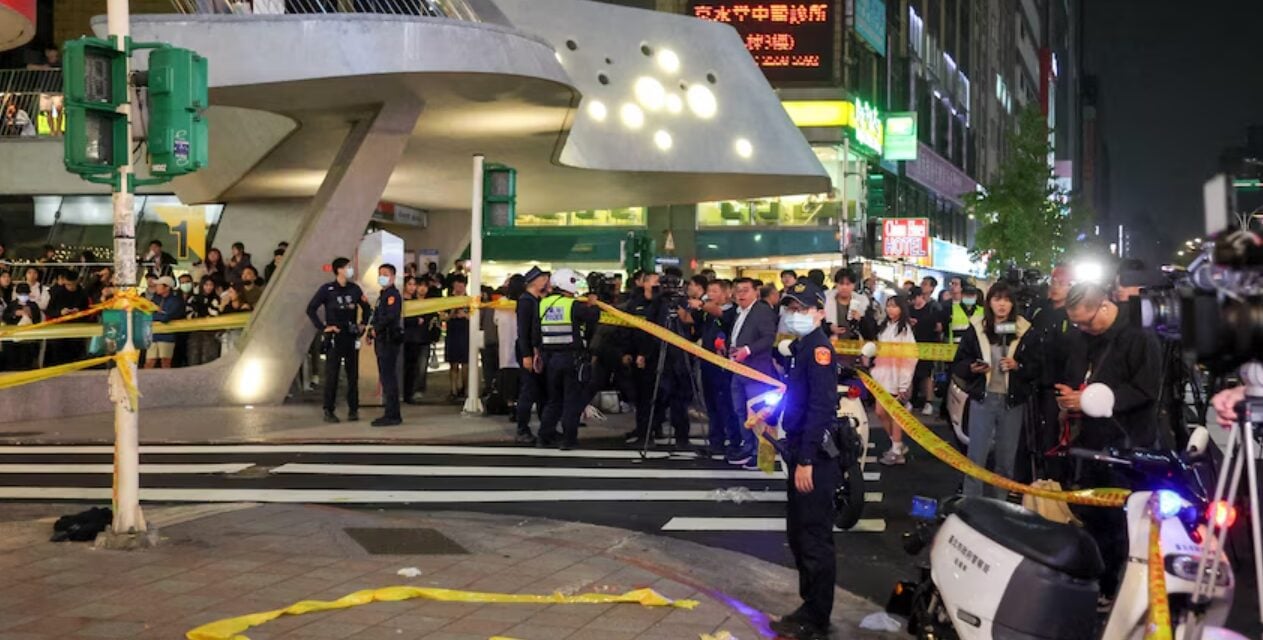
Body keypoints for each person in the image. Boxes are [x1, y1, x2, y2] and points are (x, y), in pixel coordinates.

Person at [1056, 282, 1161, 605]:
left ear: (1104, 306)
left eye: (1087, 322)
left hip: (1127, 442)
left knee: (1121, 520)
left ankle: (1119, 588)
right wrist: (1070, 399)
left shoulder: (1140, 336)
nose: (1084, 329)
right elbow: (1078, 375)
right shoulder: (1084, 337)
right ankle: (1097, 579)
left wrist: (1089, 399)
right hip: (1091, 441)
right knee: (1091, 513)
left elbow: (1146, 390)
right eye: (1077, 324)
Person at [767, 280, 840, 640]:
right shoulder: (801, 347)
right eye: (791, 309)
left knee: (812, 537)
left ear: (820, 313)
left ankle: (816, 617)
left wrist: (807, 459)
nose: (795, 315)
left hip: (814, 456)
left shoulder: (818, 350)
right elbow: (795, 398)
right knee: (798, 534)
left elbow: (821, 407)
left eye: (803, 309)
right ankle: (809, 606)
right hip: (799, 448)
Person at [951, 282, 1036, 496]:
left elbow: (1037, 366)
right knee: (976, 459)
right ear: (989, 302)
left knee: (1006, 461)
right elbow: (959, 362)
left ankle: (1001, 507)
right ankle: (972, 506)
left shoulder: (1024, 329)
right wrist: (972, 368)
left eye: (1007, 300)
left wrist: (1018, 366)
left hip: (1012, 402)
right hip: (983, 398)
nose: (1002, 305)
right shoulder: (977, 327)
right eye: (997, 299)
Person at [630, 267, 697, 451]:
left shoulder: (682, 302)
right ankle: (650, 433)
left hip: (680, 357)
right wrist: (644, 353)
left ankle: (682, 437)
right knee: (657, 396)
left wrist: (682, 307)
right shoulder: (657, 304)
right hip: (660, 355)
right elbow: (649, 328)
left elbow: (691, 322)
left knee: (680, 399)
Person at [536, 268, 601, 450]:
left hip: (551, 360)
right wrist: (593, 303)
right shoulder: (572, 305)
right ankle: (568, 439)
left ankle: (543, 437)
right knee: (571, 401)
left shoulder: (543, 304)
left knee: (553, 401)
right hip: (571, 359)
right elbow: (593, 317)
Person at [1025, 265, 1074, 481]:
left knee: (1054, 432)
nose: (1056, 288)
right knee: (1031, 430)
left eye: (1062, 284)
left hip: (1059, 383)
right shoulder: (1039, 309)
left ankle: (1055, 477)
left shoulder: (1073, 313)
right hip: (1033, 379)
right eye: (1054, 282)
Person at [306, 257, 371, 423]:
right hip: (334, 337)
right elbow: (311, 309)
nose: (350, 270)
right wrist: (323, 327)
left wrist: (363, 324)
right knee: (332, 375)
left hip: (350, 336)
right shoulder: (327, 289)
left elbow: (366, 307)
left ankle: (353, 409)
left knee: (352, 375)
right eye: (347, 267)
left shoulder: (354, 289)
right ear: (339, 270)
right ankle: (329, 410)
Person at [727, 277, 779, 468]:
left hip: (756, 370)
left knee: (757, 413)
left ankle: (759, 452)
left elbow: (768, 338)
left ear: (756, 292)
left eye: (745, 290)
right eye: (737, 290)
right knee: (741, 411)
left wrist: (747, 350)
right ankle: (748, 447)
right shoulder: (739, 312)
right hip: (738, 368)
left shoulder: (762, 311)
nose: (741, 294)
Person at [696, 279, 739, 459]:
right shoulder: (708, 312)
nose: (710, 294)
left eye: (714, 291)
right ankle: (716, 441)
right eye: (709, 291)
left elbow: (719, 312)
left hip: (722, 364)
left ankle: (733, 441)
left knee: (725, 404)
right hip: (707, 362)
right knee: (711, 403)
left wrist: (701, 304)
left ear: (726, 292)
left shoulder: (731, 311)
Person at [872, 295, 917, 465]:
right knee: (880, 412)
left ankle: (897, 450)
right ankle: (896, 443)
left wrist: (904, 384)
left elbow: (910, 357)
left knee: (895, 414)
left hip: (897, 378)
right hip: (883, 377)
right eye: (889, 306)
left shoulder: (904, 329)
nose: (891, 309)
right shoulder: (886, 326)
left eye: (894, 306)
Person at [514, 266, 549, 445]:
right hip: (529, 352)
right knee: (529, 391)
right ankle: (522, 429)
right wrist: (527, 355)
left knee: (542, 391)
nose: (546, 280)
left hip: (537, 352)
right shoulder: (526, 301)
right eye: (543, 277)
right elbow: (523, 330)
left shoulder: (536, 300)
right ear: (534, 281)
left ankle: (546, 428)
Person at [368, 264, 404, 427]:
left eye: (385, 274)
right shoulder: (382, 295)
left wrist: (377, 328)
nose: (382, 276)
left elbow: (390, 317)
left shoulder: (392, 296)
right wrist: (371, 331)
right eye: (380, 274)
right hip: (381, 339)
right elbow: (376, 316)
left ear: (393, 277)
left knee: (388, 378)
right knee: (385, 377)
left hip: (388, 340)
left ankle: (393, 414)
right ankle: (390, 412)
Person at [908, 288, 942, 416]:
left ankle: (929, 402)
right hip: (911, 346)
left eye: (916, 298)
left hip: (927, 345)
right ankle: (909, 400)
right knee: (910, 374)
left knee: (927, 376)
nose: (914, 301)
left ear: (921, 297)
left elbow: (937, 327)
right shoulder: (909, 310)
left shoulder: (931, 309)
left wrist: (920, 323)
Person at [46, 269, 90, 366]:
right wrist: (60, 312)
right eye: (68, 285)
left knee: (76, 344)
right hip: (60, 325)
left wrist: (79, 312)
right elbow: (49, 311)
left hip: (77, 326)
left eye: (72, 285)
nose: (70, 287)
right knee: (58, 345)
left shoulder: (82, 294)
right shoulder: (58, 293)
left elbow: (88, 312)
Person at [148, 276, 186, 369]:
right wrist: (159, 314)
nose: (156, 287)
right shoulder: (156, 299)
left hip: (167, 336)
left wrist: (156, 315)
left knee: (165, 362)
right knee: (149, 362)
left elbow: (166, 317)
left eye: (159, 285)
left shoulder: (176, 301)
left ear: (167, 287)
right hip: (153, 335)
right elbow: (147, 314)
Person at [3, 283, 41, 370]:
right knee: (11, 355)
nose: (23, 296)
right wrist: (15, 314)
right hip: (13, 336)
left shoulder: (33, 305)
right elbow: (5, 317)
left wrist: (30, 314)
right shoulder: (12, 305)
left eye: (25, 294)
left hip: (28, 337)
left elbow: (37, 320)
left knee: (26, 356)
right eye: (21, 294)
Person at [444, 275, 470, 401]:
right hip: (453, 333)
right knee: (453, 363)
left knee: (466, 363)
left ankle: (466, 389)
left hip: (466, 333)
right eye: (457, 285)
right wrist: (453, 312)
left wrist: (466, 315)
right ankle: (453, 390)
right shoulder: (448, 300)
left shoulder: (471, 299)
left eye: (461, 285)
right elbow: (443, 317)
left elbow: (477, 317)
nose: (459, 287)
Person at [186, 276, 222, 366]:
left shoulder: (216, 299)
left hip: (210, 333)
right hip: (195, 332)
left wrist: (201, 313)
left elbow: (214, 315)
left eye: (211, 285)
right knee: (193, 358)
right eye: (206, 284)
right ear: (202, 285)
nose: (209, 287)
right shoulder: (193, 298)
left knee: (208, 359)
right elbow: (189, 315)